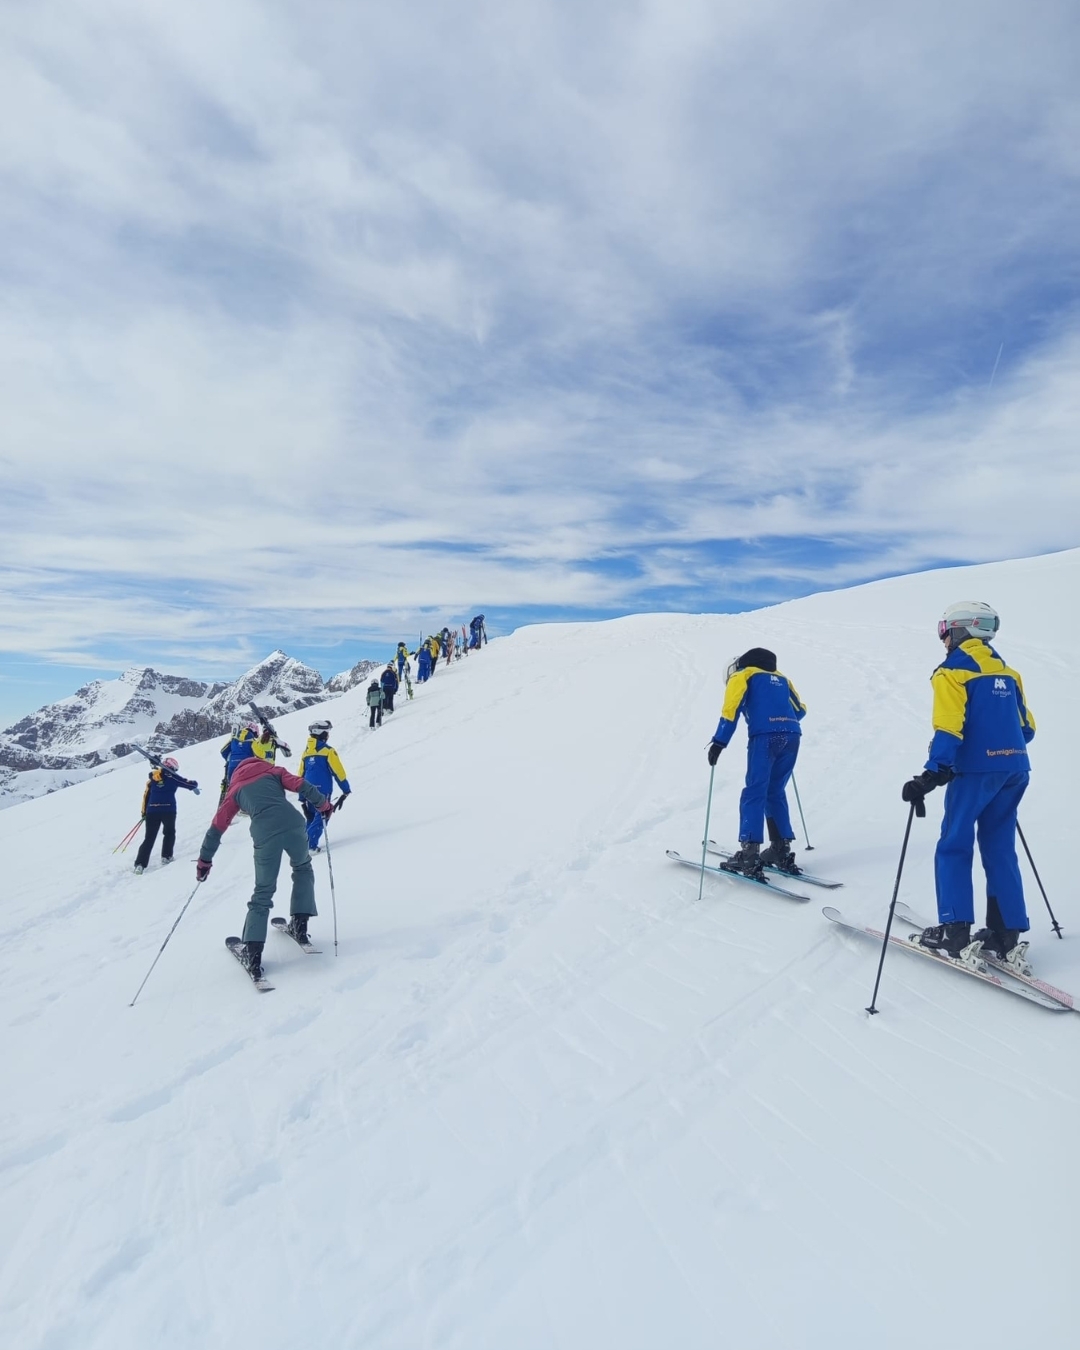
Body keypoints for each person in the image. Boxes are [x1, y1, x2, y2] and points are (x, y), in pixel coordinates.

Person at [901, 601, 1036, 973]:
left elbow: (948, 726)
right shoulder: (1009, 673)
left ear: (961, 630)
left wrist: (932, 773)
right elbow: (1027, 728)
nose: (943, 637)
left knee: (954, 845)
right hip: (1014, 770)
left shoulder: (952, 672)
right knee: (999, 848)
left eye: (945, 629)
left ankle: (955, 933)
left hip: (974, 771)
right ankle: (1005, 934)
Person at [196, 757, 332, 978]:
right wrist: (323, 805)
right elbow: (302, 785)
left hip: (265, 833)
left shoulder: (236, 788)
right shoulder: (274, 771)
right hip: (293, 823)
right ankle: (300, 924)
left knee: (263, 891)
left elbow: (217, 827)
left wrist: (205, 861)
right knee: (303, 868)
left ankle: (253, 952)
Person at [705, 648, 806, 879]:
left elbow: (731, 710)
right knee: (775, 791)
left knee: (754, 791)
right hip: (792, 735)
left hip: (765, 738)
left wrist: (719, 742)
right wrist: (780, 719)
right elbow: (800, 710)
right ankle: (781, 850)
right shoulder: (782, 678)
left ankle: (749, 854)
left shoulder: (742, 676)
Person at [133, 757, 200, 873]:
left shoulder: (152, 779)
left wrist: (144, 812)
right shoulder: (173, 778)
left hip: (152, 811)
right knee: (169, 833)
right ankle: (167, 856)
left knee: (149, 838)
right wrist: (195, 786)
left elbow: (146, 796)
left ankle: (140, 864)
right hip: (168, 810)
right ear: (173, 767)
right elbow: (188, 783)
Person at [297, 719, 350, 852]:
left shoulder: (306, 752)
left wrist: (302, 796)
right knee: (322, 817)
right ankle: (310, 847)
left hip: (307, 789)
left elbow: (300, 775)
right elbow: (338, 772)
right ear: (321, 734)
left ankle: (302, 845)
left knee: (311, 817)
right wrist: (345, 790)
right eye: (327, 732)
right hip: (322, 790)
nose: (328, 735)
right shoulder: (328, 751)